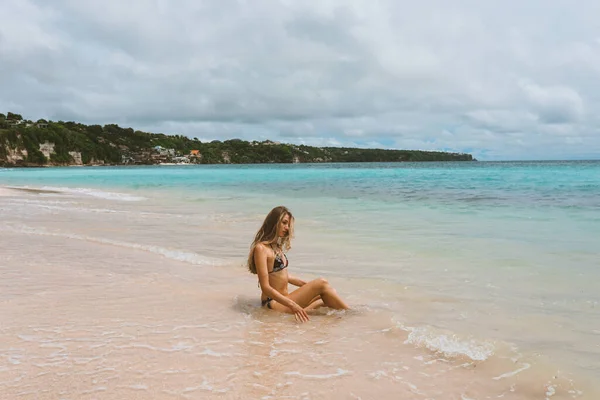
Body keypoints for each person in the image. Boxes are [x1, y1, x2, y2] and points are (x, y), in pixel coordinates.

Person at [247, 206, 349, 322]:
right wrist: (292, 305)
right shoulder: (261, 249)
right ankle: (353, 316)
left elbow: (284, 276)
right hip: (274, 305)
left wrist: (309, 287)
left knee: (327, 295)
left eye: (288, 224)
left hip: (285, 300)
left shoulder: (276, 247)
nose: (287, 228)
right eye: (284, 223)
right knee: (322, 283)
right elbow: (266, 288)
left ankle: (343, 322)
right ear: (274, 222)